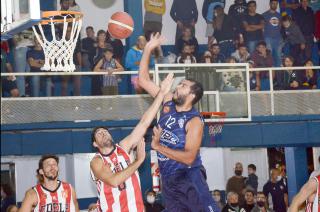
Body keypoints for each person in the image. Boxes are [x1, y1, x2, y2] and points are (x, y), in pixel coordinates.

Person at [138, 33, 220, 212]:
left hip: (188, 176)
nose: (177, 87)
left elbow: (190, 157)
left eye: (182, 85)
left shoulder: (194, 121)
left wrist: (158, 147)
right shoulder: (167, 101)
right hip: (168, 180)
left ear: (191, 95)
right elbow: (143, 80)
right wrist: (148, 49)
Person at [90, 73, 174, 212]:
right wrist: (139, 161)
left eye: (105, 131)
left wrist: (161, 93)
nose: (103, 133)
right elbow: (114, 181)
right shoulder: (97, 161)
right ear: (95, 144)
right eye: (99, 133)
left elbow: (144, 122)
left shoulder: (123, 147)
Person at [263, 0, 283, 67]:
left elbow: (281, 27)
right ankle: (271, 75)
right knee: (269, 57)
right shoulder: (264, 15)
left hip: (278, 38)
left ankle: (278, 76)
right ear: (270, 4)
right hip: (268, 38)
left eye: (276, 4)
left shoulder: (279, 15)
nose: (274, 5)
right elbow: (262, 28)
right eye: (273, 3)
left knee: (278, 57)